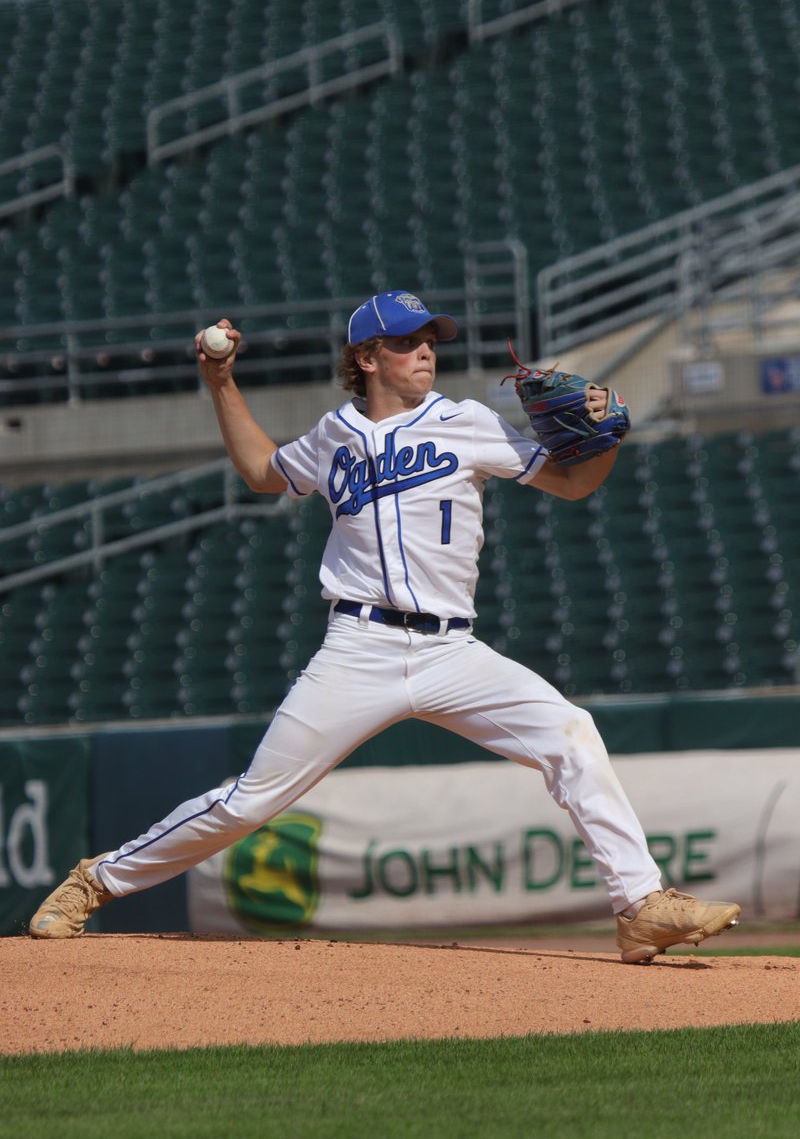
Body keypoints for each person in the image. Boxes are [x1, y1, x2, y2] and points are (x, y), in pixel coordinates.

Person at [30, 290, 740, 963]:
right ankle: (98, 880)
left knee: (571, 733)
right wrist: (219, 379)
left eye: (429, 338)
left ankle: (639, 906)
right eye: (406, 341)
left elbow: (575, 482)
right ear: (367, 358)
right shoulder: (332, 434)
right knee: (252, 800)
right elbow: (258, 470)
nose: (425, 350)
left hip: (451, 650)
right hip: (358, 646)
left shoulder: (468, 421)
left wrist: (605, 436)